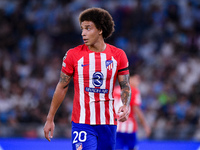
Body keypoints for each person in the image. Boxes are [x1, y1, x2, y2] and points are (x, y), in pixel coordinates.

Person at [43, 7, 131, 150]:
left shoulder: (118, 55)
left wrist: (125, 105)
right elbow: (62, 86)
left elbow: (125, 85)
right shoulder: (73, 55)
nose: (83, 33)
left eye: (88, 28)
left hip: (108, 123)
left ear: (100, 30)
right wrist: (50, 118)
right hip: (82, 122)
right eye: (82, 29)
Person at [114, 70, 151, 150]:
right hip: (129, 129)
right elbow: (137, 110)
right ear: (129, 79)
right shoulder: (133, 91)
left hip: (116, 128)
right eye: (137, 79)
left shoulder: (115, 90)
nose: (138, 82)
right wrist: (145, 126)